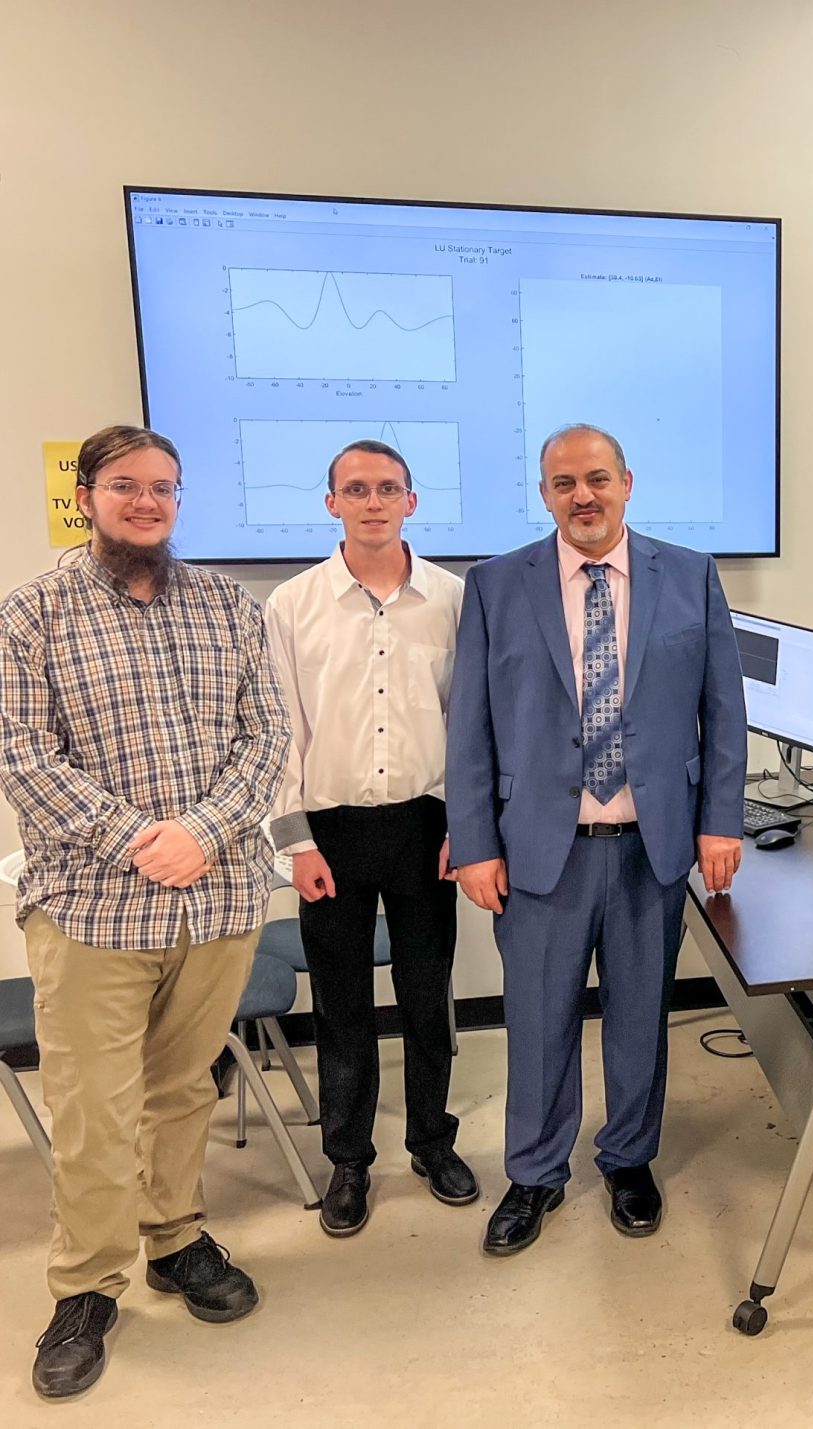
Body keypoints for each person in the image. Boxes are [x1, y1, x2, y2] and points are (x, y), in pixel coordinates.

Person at [0, 425, 289, 1399]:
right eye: (125, 485)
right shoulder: (33, 614)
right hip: (92, 907)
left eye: (164, 487)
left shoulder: (226, 606)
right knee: (92, 1110)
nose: (147, 501)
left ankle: (175, 1238)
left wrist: (202, 831)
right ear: (87, 496)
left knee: (181, 1089)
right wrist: (136, 837)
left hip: (217, 899)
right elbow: (23, 758)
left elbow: (269, 739)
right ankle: (87, 1286)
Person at [447, 422, 747, 1256]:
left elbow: (723, 710)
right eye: (563, 483)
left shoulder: (688, 574)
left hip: (651, 844)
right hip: (542, 847)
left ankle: (628, 1159)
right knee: (538, 1020)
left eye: (597, 479)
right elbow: (469, 725)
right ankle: (535, 1172)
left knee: (640, 1017)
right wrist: (473, 841)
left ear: (626, 482)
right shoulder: (497, 584)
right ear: (544, 494)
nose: (582, 495)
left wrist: (721, 819)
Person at [265, 439, 475, 1236]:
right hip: (331, 834)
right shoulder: (292, 605)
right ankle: (347, 1159)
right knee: (342, 1005)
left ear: (412, 501)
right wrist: (296, 843)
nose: (373, 501)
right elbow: (281, 731)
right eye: (356, 489)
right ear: (331, 504)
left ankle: (431, 1139)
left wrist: (467, 824)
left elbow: (469, 723)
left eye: (389, 488)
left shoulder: (454, 599)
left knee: (429, 993)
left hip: (428, 824)